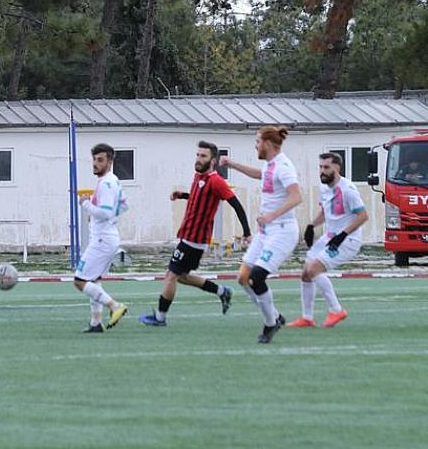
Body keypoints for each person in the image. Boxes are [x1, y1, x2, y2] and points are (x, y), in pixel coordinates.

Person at [140, 141, 251, 327]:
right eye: (198, 155)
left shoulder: (217, 181)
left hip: (194, 239)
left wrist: (247, 232)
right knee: (181, 276)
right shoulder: (199, 176)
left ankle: (160, 317)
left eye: (203, 156)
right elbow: (199, 197)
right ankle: (222, 291)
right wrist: (182, 195)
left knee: (170, 275)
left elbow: (236, 205)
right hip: (189, 236)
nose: (199, 159)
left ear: (213, 160)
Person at [220, 126, 302, 343]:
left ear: (267, 143)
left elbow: (296, 197)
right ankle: (275, 316)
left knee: (257, 277)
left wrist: (271, 215)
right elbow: (260, 174)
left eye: (257, 141)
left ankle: (270, 324)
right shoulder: (270, 165)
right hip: (266, 232)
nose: (255, 145)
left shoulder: (284, 166)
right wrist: (232, 164)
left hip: (282, 231)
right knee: (243, 278)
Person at [287, 153, 368, 329]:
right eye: (320, 167)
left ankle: (336, 310)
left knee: (314, 268)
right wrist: (311, 226)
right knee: (305, 273)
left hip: (347, 240)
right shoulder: (324, 188)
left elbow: (363, 216)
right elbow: (326, 212)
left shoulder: (348, 190)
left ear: (337, 168)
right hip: (330, 237)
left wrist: (343, 235)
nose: (322, 171)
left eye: (326, 167)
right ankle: (307, 318)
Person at [75, 143, 129, 333]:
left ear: (110, 162)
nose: (96, 164)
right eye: (94, 159)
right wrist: (99, 210)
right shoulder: (113, 180)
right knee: (94, 279)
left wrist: (86, 204)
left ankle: (115, 306)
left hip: (102, 239)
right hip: (108, 237)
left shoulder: (106, 184)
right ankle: (96, 323)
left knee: (80, 280)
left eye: (100, 160)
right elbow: (123, 206)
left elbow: (105, 213)